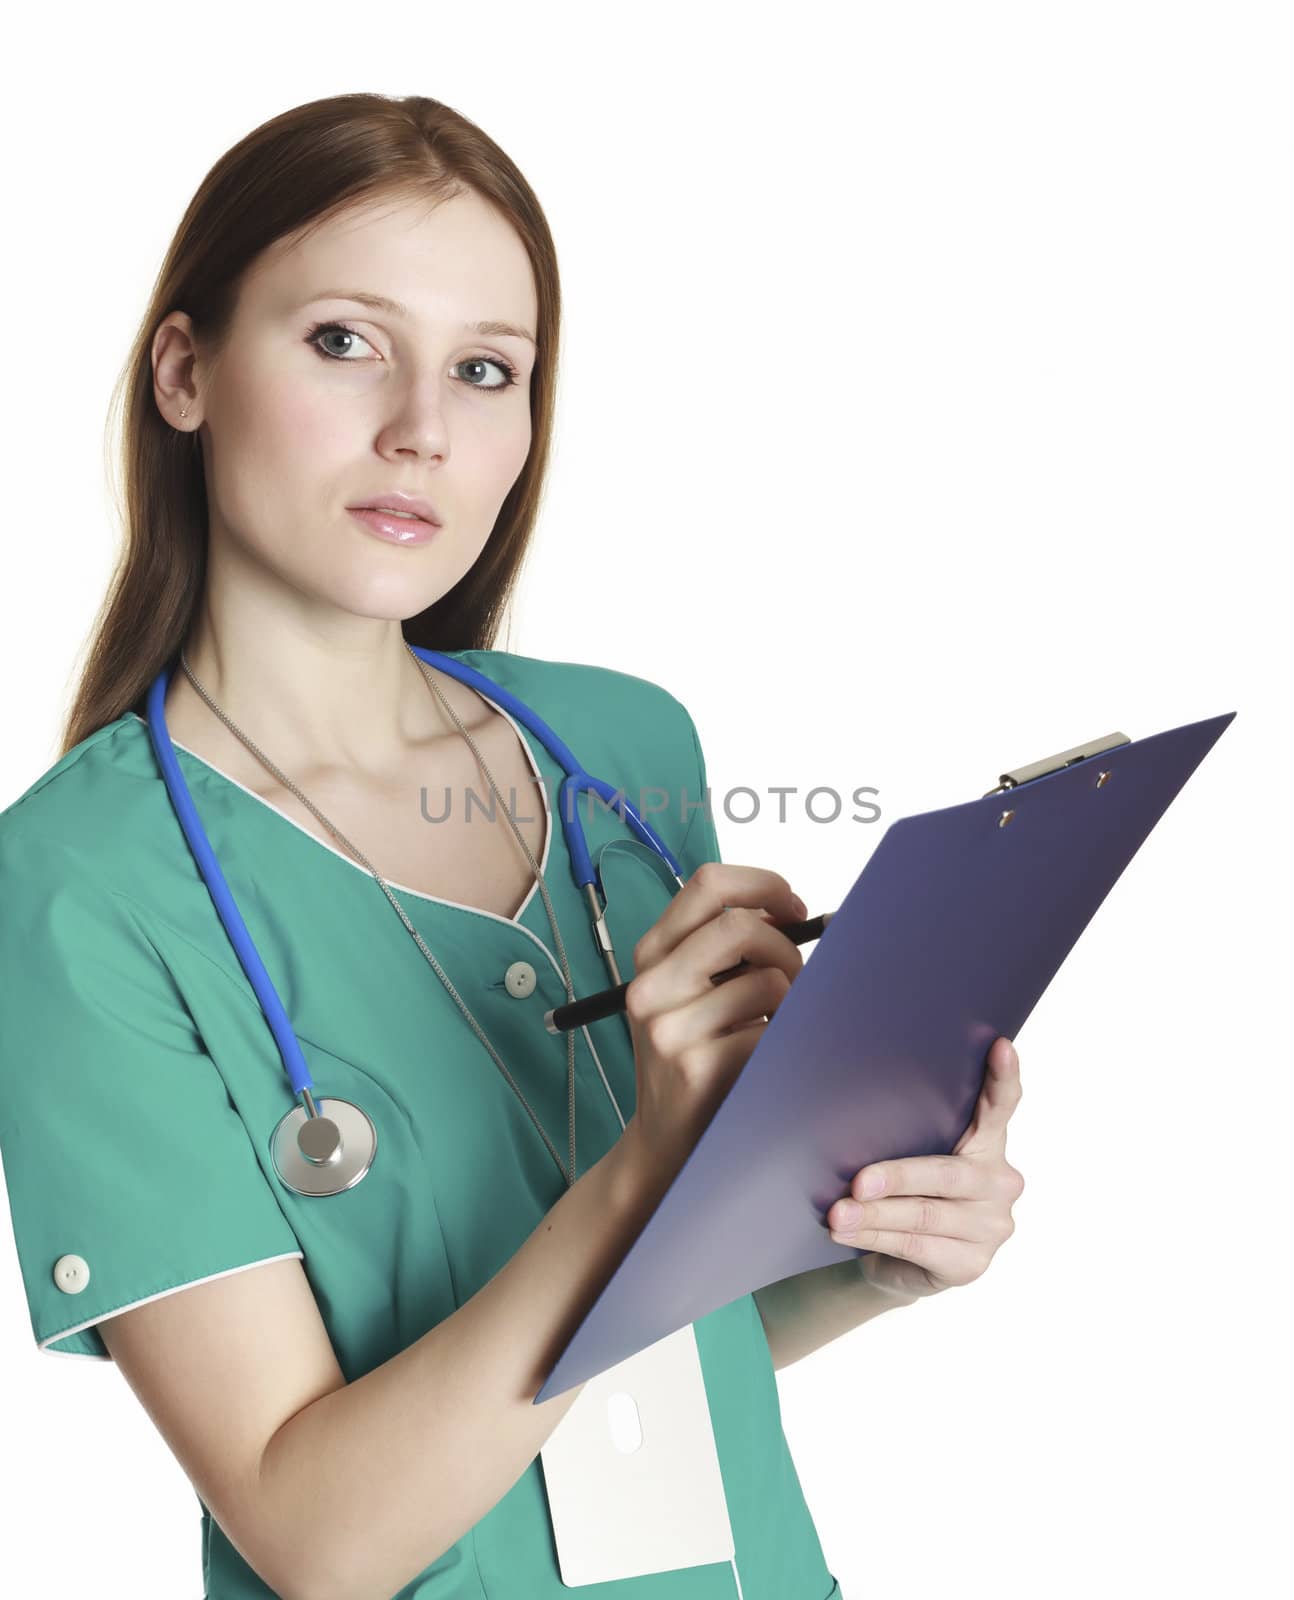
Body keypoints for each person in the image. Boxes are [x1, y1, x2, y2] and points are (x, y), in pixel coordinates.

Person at [0, 93, 1024, 1600]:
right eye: (345, 342)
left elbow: (661, 1340)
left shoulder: (622, 754)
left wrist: (866, 1262)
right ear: (184, 369)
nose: (421, 427)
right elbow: (316, 1535)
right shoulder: (81, 891)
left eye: (487, 370)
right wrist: (645, 1165)